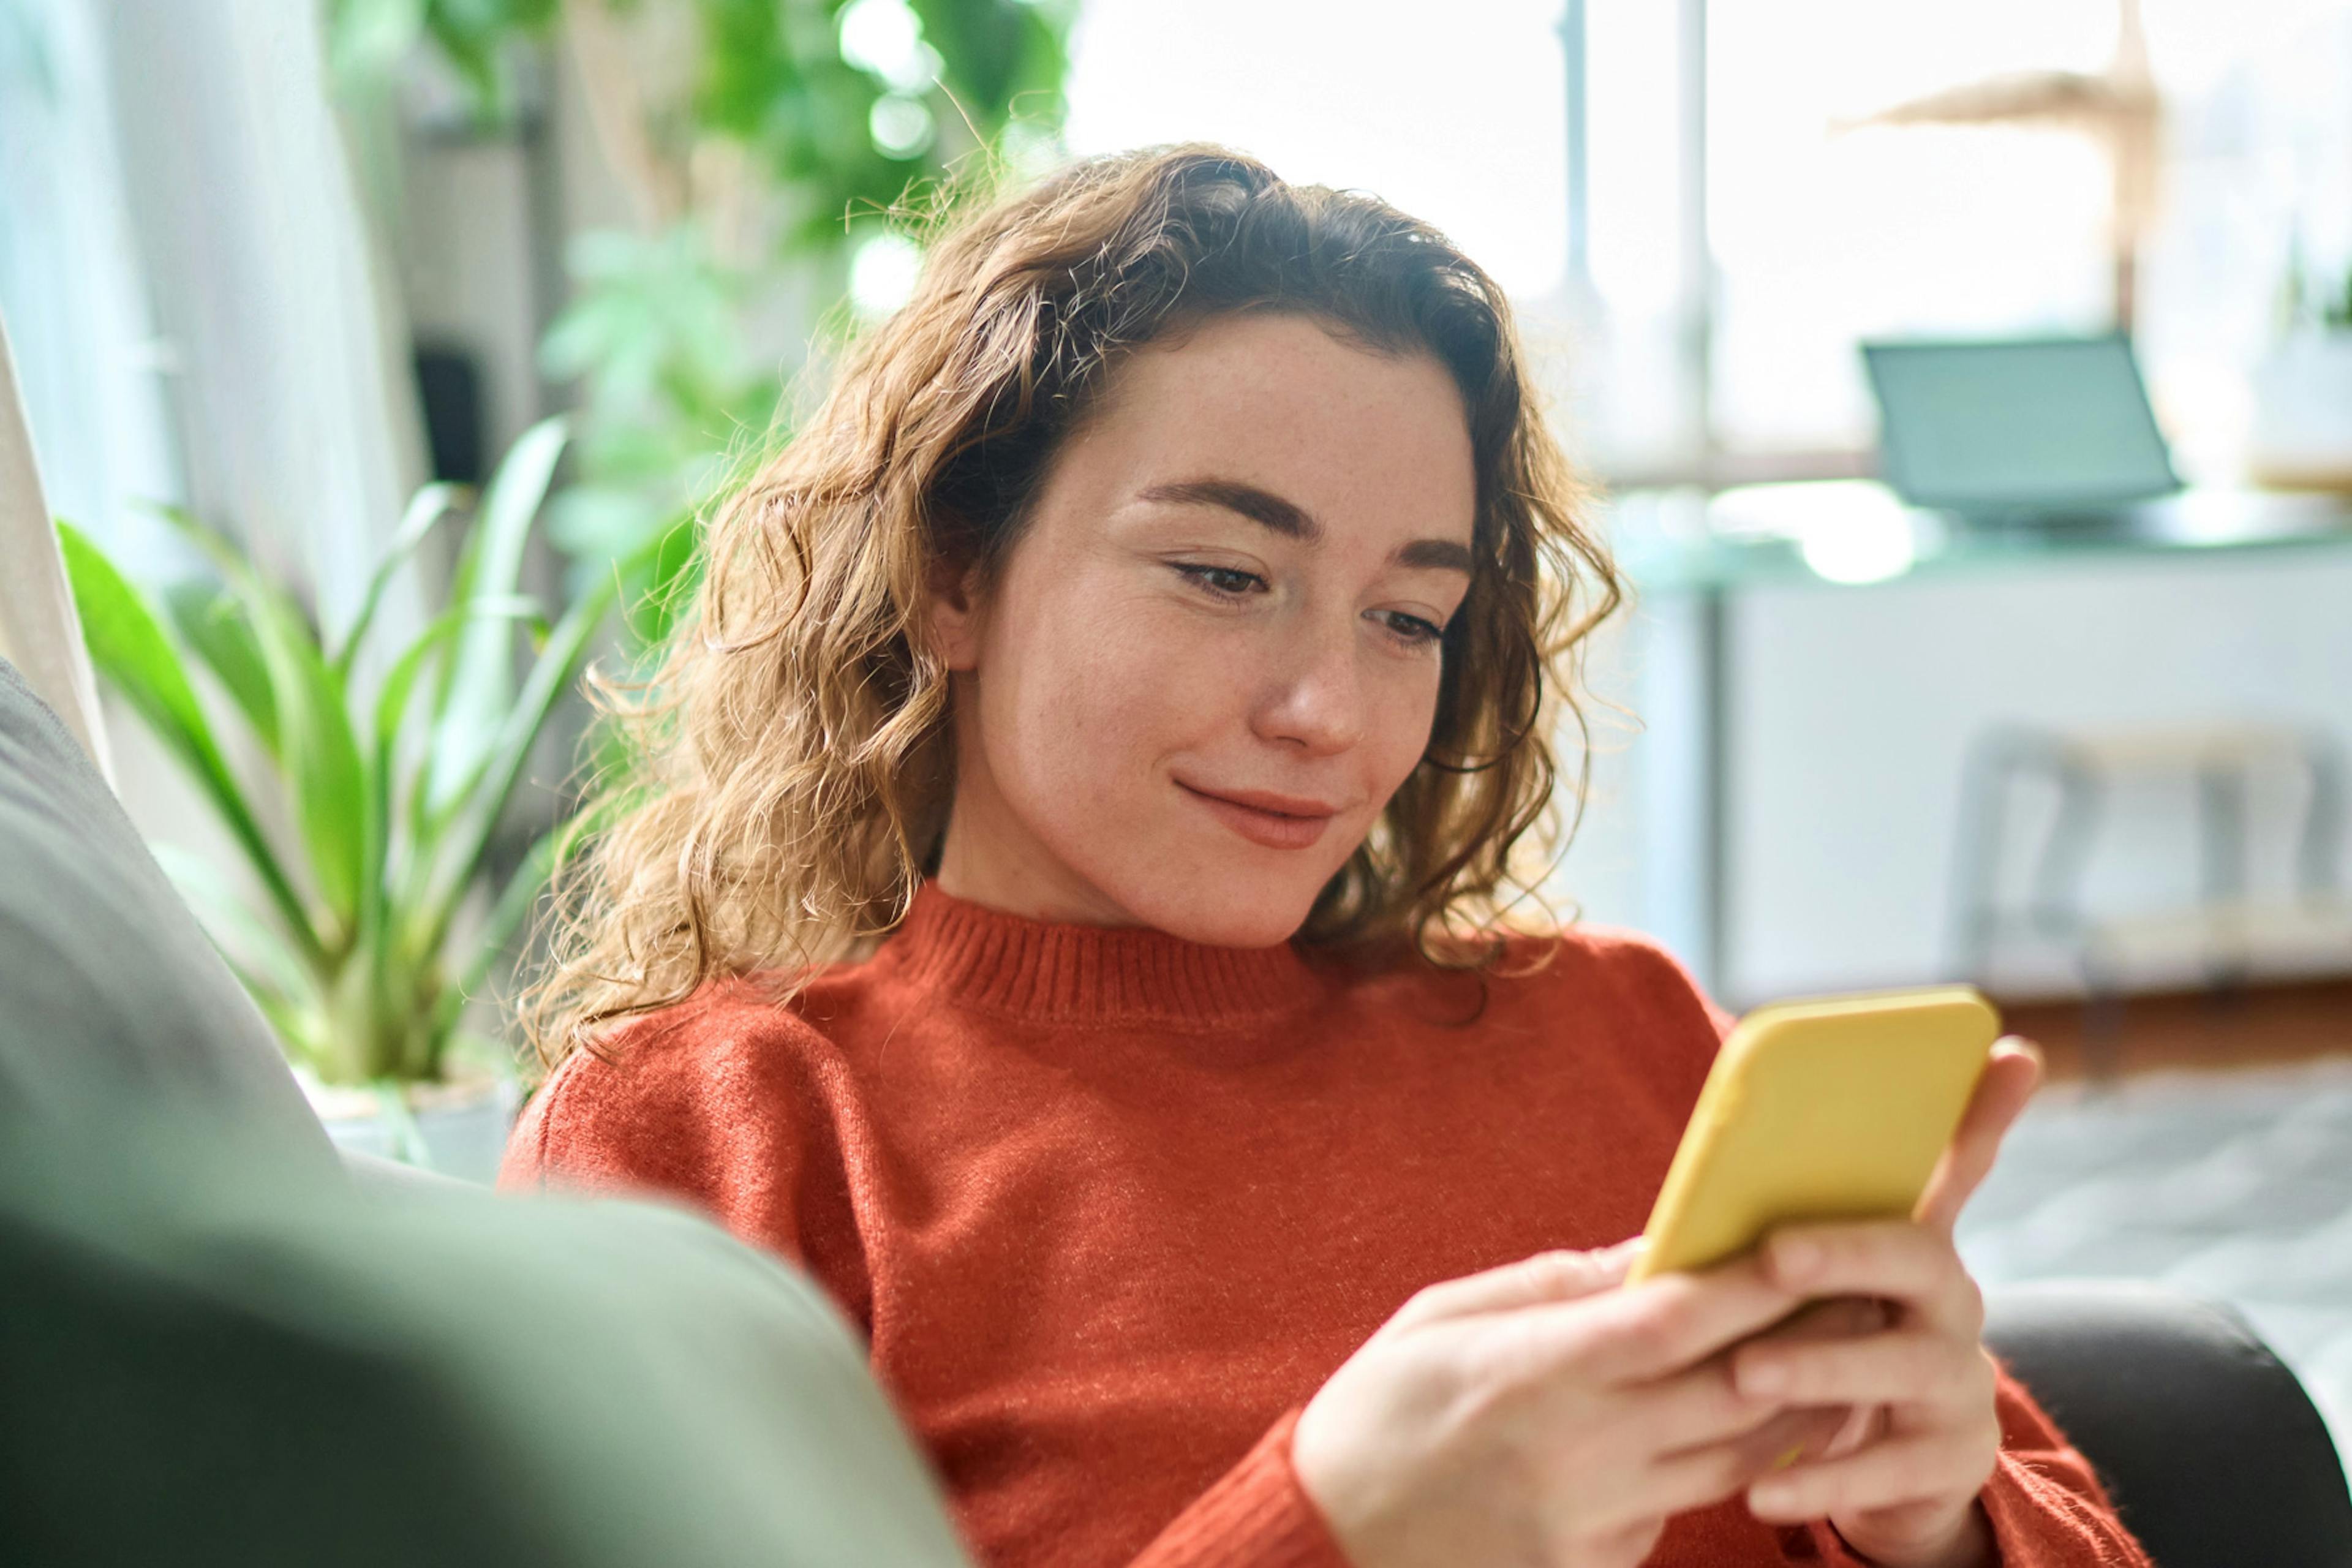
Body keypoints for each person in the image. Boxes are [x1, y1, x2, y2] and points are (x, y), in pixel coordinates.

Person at [500, 145, 2148, 1568]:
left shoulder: (1626, 1034)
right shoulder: (719, 1139)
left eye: (1409, 617)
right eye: (1225, 576)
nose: (1329, 714)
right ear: (953, 575)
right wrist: (1332, 1528)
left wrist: (1940, 1521)